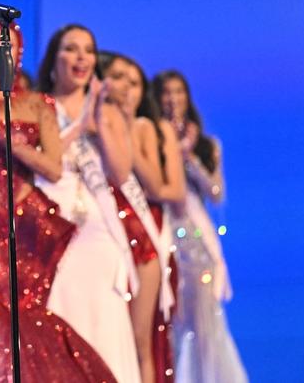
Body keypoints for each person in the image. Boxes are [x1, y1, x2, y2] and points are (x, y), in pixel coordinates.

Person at [0, 17, 117, 382]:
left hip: (28, 224)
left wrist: (2, 138)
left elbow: (54, 168)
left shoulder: (36, 104)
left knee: (28, 312)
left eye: (6, 44)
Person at [35, 24, 142, 383]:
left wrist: (98, 119)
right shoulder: (37, 106)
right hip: (52, 228)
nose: (81, 57)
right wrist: (79, 126)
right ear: (54, 60)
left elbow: (121, 170)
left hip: (97, 232)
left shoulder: (105, 112)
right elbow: (45, 165)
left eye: (88, 50)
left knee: (103, 324)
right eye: (71, 49)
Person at [152, 70, 247, 383]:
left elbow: (216, 193)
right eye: (166, 92)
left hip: (195, 238)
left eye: (178, 92)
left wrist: (188, 155)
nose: (172, 99)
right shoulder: (149, 138)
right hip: (162, 231)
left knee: (204, 322)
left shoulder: (206, 145)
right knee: (170, 322)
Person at [100, 52, 185, 383]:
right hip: (112, 231)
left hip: (144, 230)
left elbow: (166, 189)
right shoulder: (104, 120)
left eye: (135, 83)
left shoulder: (146, 126)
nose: (128, 91)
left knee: (142, 337)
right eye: (121, 81)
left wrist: (128, 140)